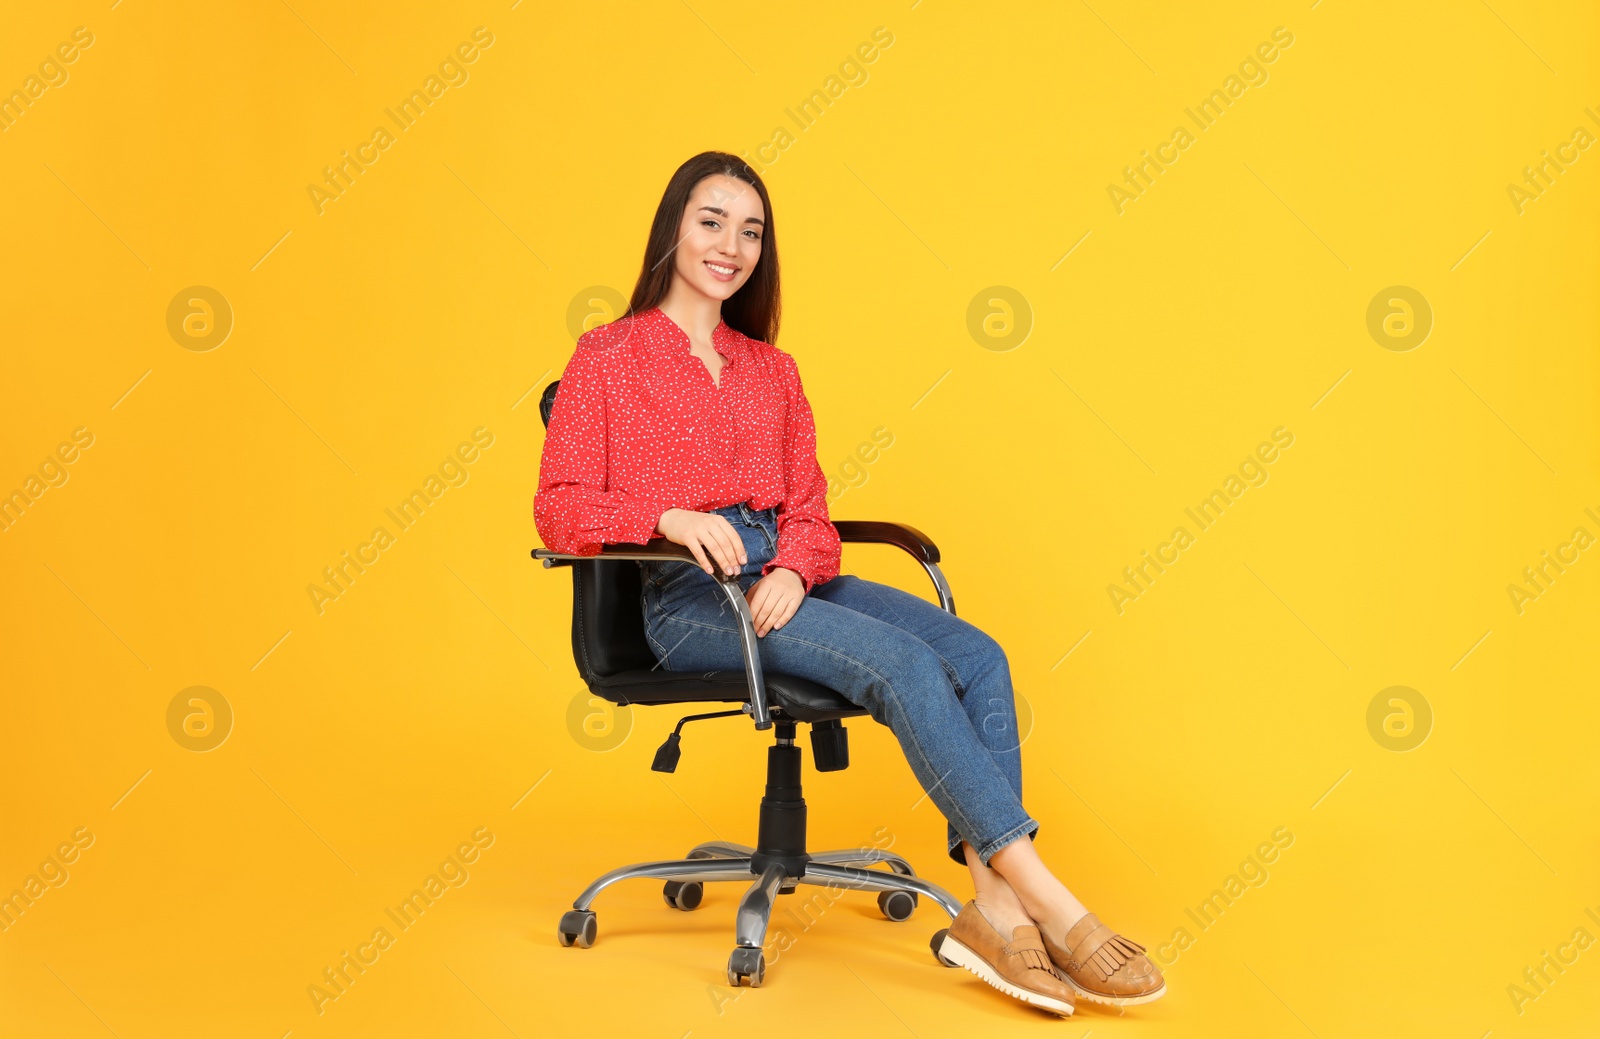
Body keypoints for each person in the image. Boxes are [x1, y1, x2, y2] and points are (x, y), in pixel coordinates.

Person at [534, 151, 1164, 1016]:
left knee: (978, 654)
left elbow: (813, 507)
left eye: (751, 231)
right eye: (712, 221)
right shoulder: (608, 356)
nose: (731, 246)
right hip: (692, 597)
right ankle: (1048, 901)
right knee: (903, 666)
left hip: (783, 574)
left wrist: (796, 563)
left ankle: (994, 906)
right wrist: (667, 518)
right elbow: (558, 510)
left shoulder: (771, 370)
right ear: (673, 227)